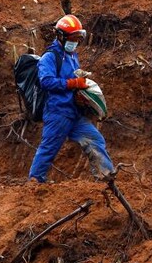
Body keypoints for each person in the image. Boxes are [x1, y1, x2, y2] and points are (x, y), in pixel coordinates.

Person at [28, 14, 115, 183]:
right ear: (61, 36)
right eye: (73, 38)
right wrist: (73, 83)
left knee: (95, 139)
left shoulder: (72, 55)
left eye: (77, 38)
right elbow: (46, 81)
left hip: (74, 113)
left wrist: (80, 92)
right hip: (58, 112)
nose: (75, 42)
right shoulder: (50, 57)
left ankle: (106, 177)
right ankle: (35, 182)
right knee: (49, 149)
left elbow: (74, 80)